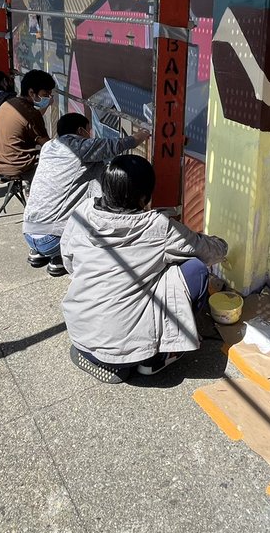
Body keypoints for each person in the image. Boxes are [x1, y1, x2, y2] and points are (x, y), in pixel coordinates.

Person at [60, 155, 229, 384]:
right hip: (129, 351)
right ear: (144, 196)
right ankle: (156, 359)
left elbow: (69, 260)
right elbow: (209, 252)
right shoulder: (158, 226)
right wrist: (224, 245)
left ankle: (107, 355)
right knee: (196, 269)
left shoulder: (83, 211)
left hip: (80, 335)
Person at [23, 112, 150, 277]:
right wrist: (144, 132)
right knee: (97, 181)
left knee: (91, 170)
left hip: (29, 231)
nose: (90, 135)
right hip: (51, 238)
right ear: (80, 131)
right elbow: (119, 144)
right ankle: (59, 256)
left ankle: (42, 253)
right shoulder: (78, 147)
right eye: (89, 130)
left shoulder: (48, 146)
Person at [0, 69, 55, 182]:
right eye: (45, 95)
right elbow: (48, 145)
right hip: (13, 167)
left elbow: (28, 121)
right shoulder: (31, 113)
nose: (49, 98)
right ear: (31, 93)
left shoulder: (9, 103)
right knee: (57, 166)